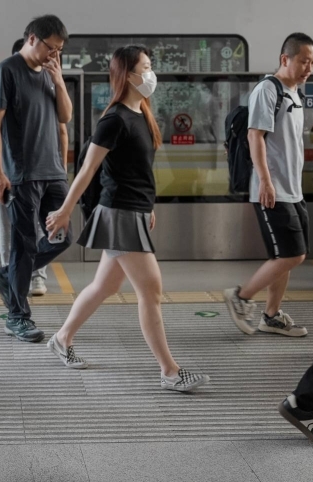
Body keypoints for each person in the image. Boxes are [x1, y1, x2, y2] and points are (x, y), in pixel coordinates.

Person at [44, 46, 210, 392]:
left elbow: (137, 170)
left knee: (105, 286)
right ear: (128, 76)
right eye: (145, 68)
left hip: (132, 210)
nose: (151, 74)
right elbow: (88, 170)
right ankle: (169, 371)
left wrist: (147, 204)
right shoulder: (114, 119)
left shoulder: (141, 113)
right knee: (151, 290)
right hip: (118, 213)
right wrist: (64, 211)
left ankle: (62, 338)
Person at [0, 15, 73, 343]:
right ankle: (17, 316)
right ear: (33, 38)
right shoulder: (7, 71)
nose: (54, 55)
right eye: (51, 48)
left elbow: (64, 116)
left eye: (59, 51)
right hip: (21, 174)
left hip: (52, 171)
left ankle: (6, 276)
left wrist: (60, 79)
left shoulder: (51, 73)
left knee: (62, 237)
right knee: (23, 246)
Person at [223, 33, 313, 338]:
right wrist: (265, 180)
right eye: (304, 61)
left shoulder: (294, 93)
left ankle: (271, 316)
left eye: (312, 62)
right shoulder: (268, 89)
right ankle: (241, 297)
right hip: (271, 188)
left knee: (287, 256)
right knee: (292, 254)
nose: (309, 68)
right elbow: (255, 136)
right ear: (284, 59)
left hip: (292, 189)